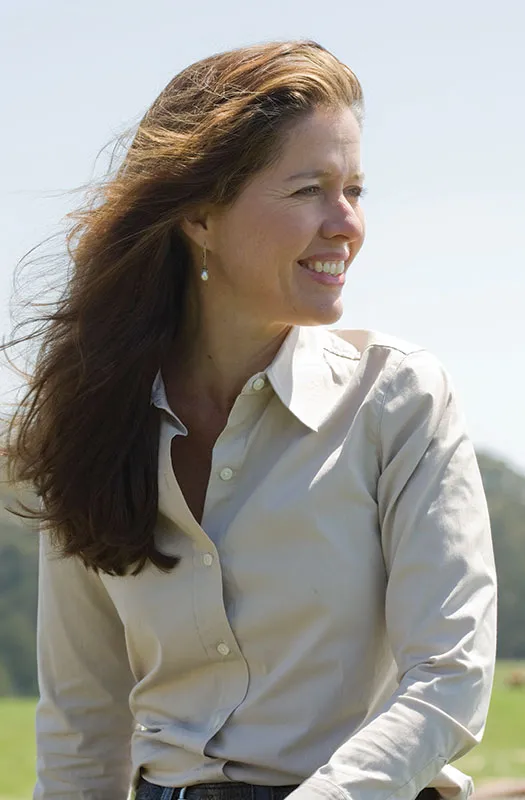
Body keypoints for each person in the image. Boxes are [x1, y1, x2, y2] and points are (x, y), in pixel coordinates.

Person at [4, 39, 496, 800]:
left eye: (355, 190)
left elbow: (450, 676)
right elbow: (83, 723)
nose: (346, 225)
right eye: (309, 190)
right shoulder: (93, 422)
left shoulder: (397, 399)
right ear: (199, 215)